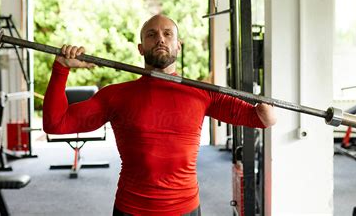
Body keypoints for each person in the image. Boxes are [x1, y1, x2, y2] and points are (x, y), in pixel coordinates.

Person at [43, 14, 276, 216]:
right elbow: (56, 124)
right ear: (141, 48)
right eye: (152, 35)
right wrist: (61, 68)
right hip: (132, 208)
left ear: (178, 46)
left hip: (185, 208)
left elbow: (261, 119)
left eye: (167, 34)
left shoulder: (202, 93)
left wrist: (266, 109)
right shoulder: (116, 95)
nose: (161, 39)